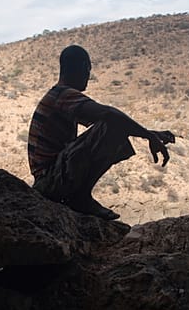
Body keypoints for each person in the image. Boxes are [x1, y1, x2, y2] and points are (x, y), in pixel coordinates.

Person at [27, 45, 176, 220]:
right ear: (82, 67)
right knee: (112, 126)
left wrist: (150, 133)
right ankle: (80, 197)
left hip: (49, 178)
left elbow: (104, 124)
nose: (89, 76)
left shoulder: (58, 96)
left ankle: (80, 196)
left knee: (114, 125)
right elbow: (108, 116)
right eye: (88, 69)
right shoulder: (63, 96)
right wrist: (148, 136)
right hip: (49, 181)